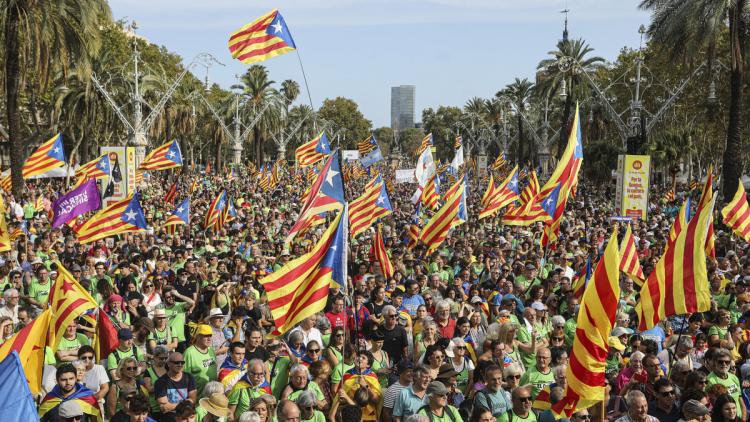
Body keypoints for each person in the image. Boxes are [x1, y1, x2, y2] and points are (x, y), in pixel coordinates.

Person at [154, 352, 198, 422]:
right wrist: (186, 405)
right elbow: (164, 407)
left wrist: (173, 406)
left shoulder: (189, 377)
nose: (180, 365)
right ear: (168, 364)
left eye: (182, 362)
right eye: (176, 363)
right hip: (170, 419)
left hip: (187, 417)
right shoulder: (160, 382)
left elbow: (193, 399)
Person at [184, 324, 218, 396]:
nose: (209, 338)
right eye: (206, 336)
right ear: (198, 336)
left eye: (210, 335)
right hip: (197, 398)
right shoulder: (189, 353)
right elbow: (184, 377)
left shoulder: (211, 350)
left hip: (212, 396)